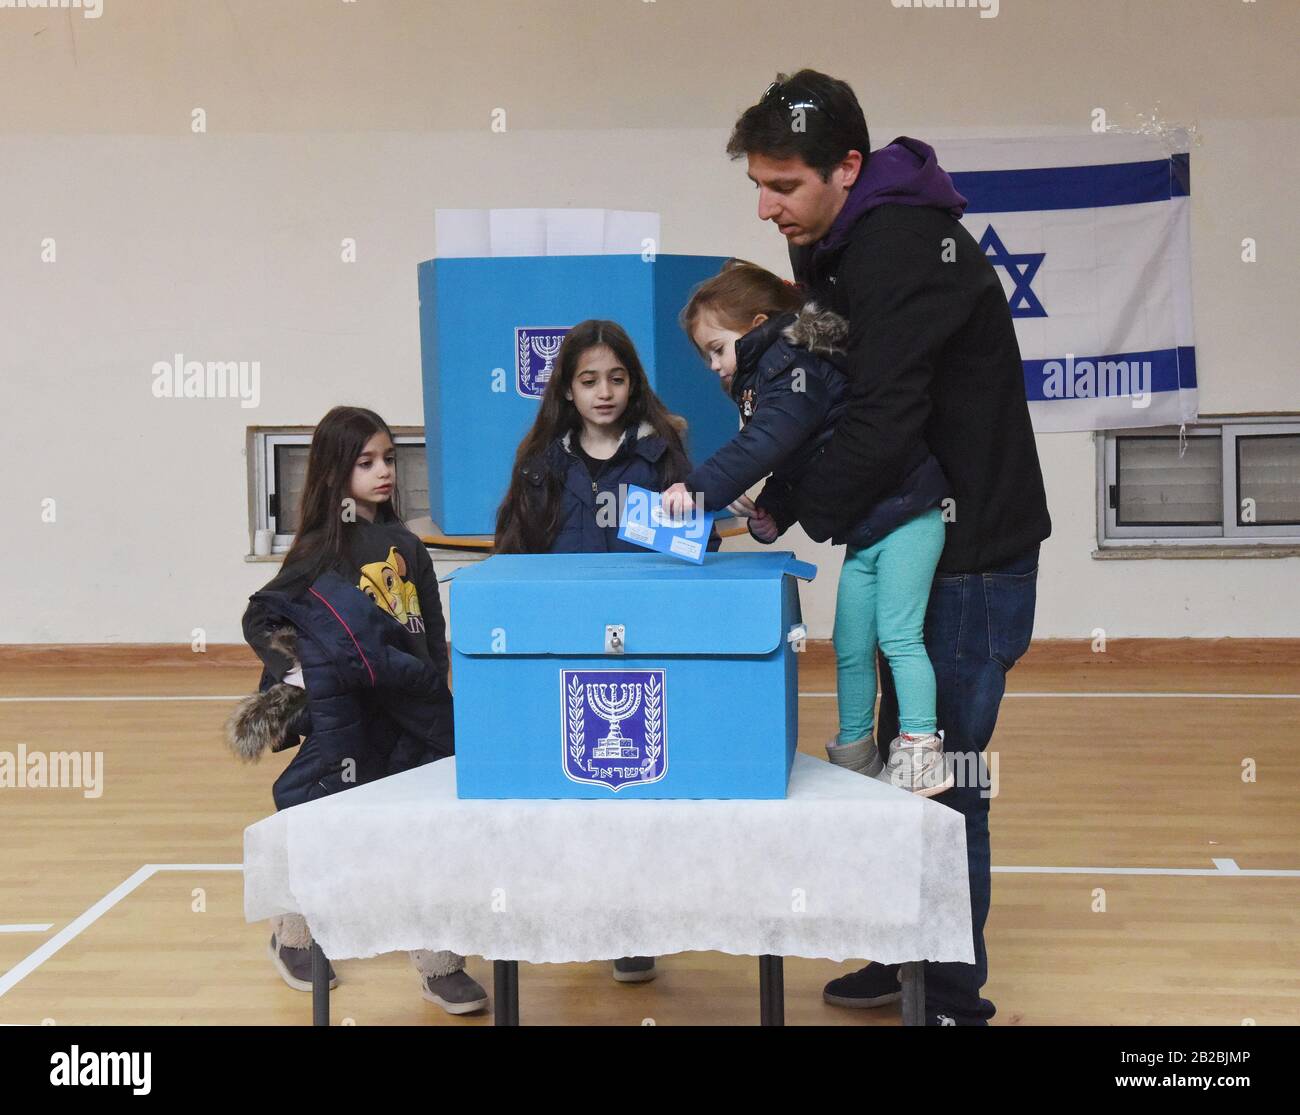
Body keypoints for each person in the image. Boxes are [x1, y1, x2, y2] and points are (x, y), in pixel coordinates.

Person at [726, 69, 1052, 1024]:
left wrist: (778, 507)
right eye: (757, 183)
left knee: (944, 774)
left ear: (848, 168)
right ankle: (906, 955)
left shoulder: (900, 249)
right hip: (912, 543)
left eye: (783, 185)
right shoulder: (856, 242)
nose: (764, 207)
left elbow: (877, 418)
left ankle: (949, 990)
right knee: (897, 774)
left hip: (969, 556)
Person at [230, 404, 490, 1015]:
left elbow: (429, 629)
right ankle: (293, 931)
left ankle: (437, 962)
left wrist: (432, 688)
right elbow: (270, 619)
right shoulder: (319, 552)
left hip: (414, 713)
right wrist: (310, 677)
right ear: (333, 473)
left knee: (423, 835)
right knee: (323, 829)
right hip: (350, 721)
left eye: (389, 460)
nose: (384, 473)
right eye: (366, 462)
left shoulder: (409, 545)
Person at [665, 258, 951, 792]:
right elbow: (801, 455)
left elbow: (770, 441)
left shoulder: (789, 359)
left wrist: (698, 489)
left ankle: (919, 747)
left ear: (755, 325)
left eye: (716, 348)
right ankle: (856, 750)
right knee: (848, 641)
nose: (712, 365)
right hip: (867, 530)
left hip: (909, 516)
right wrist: (776, 512)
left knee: (899, 635)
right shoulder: (770, 376)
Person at [494, 318, 715, 981]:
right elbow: (512, 551)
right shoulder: (539, 459)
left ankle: (633, 924)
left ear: (634, 381)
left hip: (647, 646)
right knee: (569, 790)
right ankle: (572, 911)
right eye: (589, 380)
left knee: (637, 788)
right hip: (564, 644)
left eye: (617, 378)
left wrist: (688, 531)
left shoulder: (665, 450)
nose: (605, 392)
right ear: (567, 385)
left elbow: (698, 547)